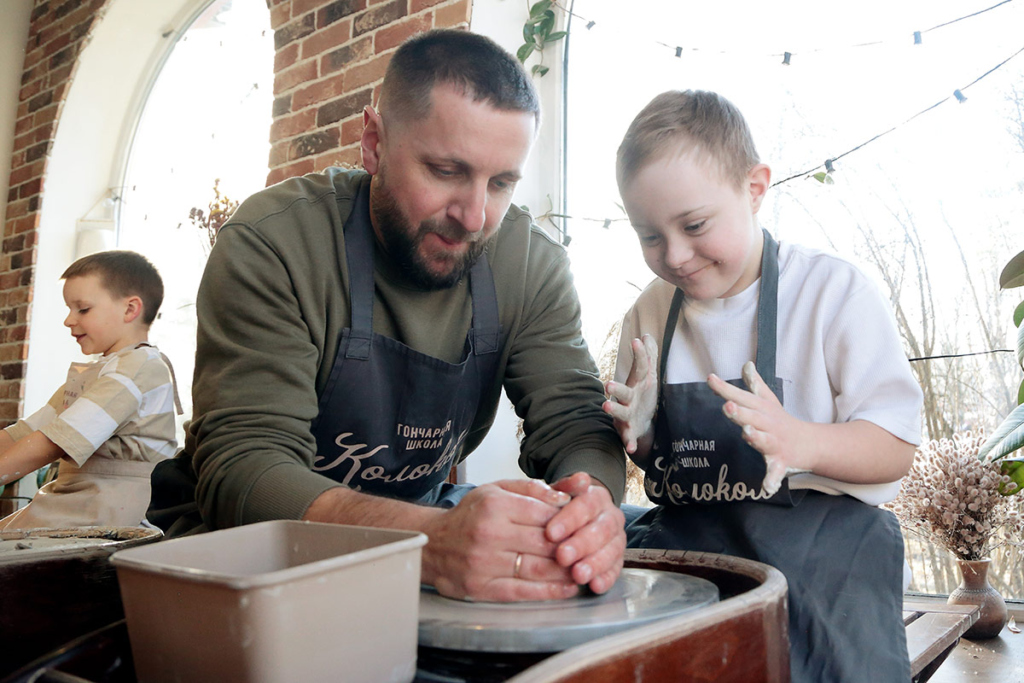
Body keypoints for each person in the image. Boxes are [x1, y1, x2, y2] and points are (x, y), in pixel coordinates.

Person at [148, 29, 626, 603]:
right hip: (237, 554)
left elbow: (574, 420)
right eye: (446, 171)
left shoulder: (532, 264)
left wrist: (589, 510)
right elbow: (247, 467)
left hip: (415, 530)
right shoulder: (275, 243)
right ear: (373, 142)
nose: (475, 217)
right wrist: (432, 539)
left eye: (501, 183)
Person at [603, 90, 923, 682]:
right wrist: (637, 433)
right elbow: (656, 462)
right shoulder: (649, 316)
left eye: (694, 224)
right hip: (692, 551)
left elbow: (896, 448)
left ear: (754, 189)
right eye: (649, 235)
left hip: (824, 561)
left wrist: (798, 441)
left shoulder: (832, 294)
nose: (674, 255)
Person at [0, 250, 180, 530]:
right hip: (77, 502)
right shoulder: (98, 371)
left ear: (130, 309)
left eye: (82, 309)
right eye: (69, 309)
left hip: (115, 511)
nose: (68, 320)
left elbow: (55, 442)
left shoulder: (140, 366)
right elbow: (24, 433)